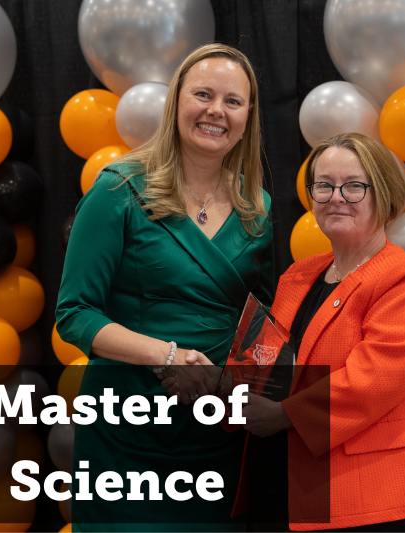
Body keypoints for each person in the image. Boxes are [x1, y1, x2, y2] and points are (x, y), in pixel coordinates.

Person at [55, 43, 275, 531]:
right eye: (203, 94)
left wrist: (235, 388)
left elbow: (264, 318)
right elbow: (74, 313)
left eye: (233, 101)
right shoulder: (118, 188)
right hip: (126, 431)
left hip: (216, 436)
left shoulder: (255, 206)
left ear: (248, 115)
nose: (216, 111)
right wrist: (166, 355)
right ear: (177, 101)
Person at [196, 132, 405, 531]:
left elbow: (373, 380)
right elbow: (263, 369)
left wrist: (282, 416)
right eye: (324, 185)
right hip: (278, 487)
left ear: (383, 194)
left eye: (353, 186)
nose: (336, 197)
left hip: (365, 499)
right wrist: (220, 388)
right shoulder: (299, 275)